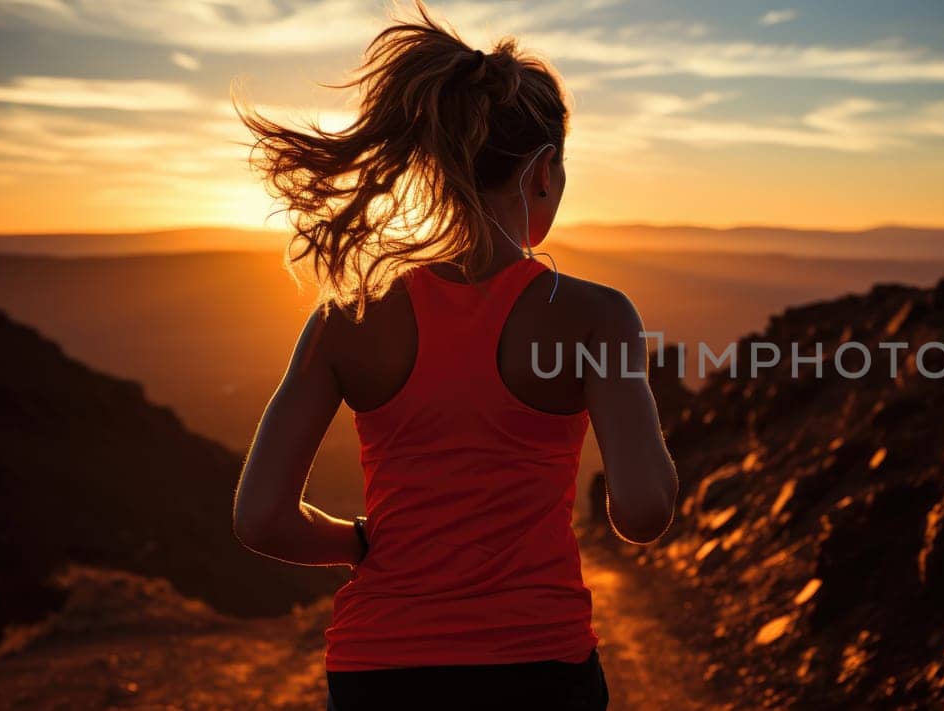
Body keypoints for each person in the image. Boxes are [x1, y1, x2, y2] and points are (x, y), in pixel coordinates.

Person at [229, 4, 678, 709]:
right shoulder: (597, 316)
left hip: (379, 668)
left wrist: (357, 542)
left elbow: (261, 517)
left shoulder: (342, 319)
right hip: (536, 664)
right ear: (542, 173)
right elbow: (644, 510)